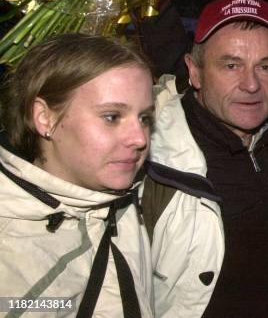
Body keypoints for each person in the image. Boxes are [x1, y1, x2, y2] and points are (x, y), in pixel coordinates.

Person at [140, 0, 268, 318]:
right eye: (231, 65)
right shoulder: (145, 161)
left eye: (265, 66)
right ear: (194, 72)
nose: (251, 84)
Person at [0, 33, 155, 317]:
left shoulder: (117, 196)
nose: (140, 138)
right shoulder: (9, 254)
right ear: (45, 118)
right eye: (112, 117)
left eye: (145, 118)